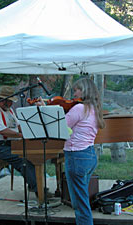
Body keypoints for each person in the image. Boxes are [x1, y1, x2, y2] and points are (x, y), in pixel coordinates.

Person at [37, 77, 104, 225]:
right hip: (89, 155)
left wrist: (43, 109)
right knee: (82, 199)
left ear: (84, 90)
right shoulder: (93, 108)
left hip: (76, 156)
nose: (74, 93)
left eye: (76, 90)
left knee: (80, 204)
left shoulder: (80, 108)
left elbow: (60, 126)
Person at [0, 85, 38, 194]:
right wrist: (21, 136)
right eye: (10, 101)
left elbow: (18, 126)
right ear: (4, 101)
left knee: (32, 156)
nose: (12, 104)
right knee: (22, 160)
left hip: (8, 143)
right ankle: (38, 189)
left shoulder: (9, 111)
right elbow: (2, 131)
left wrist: (29, 131)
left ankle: (34, 184)